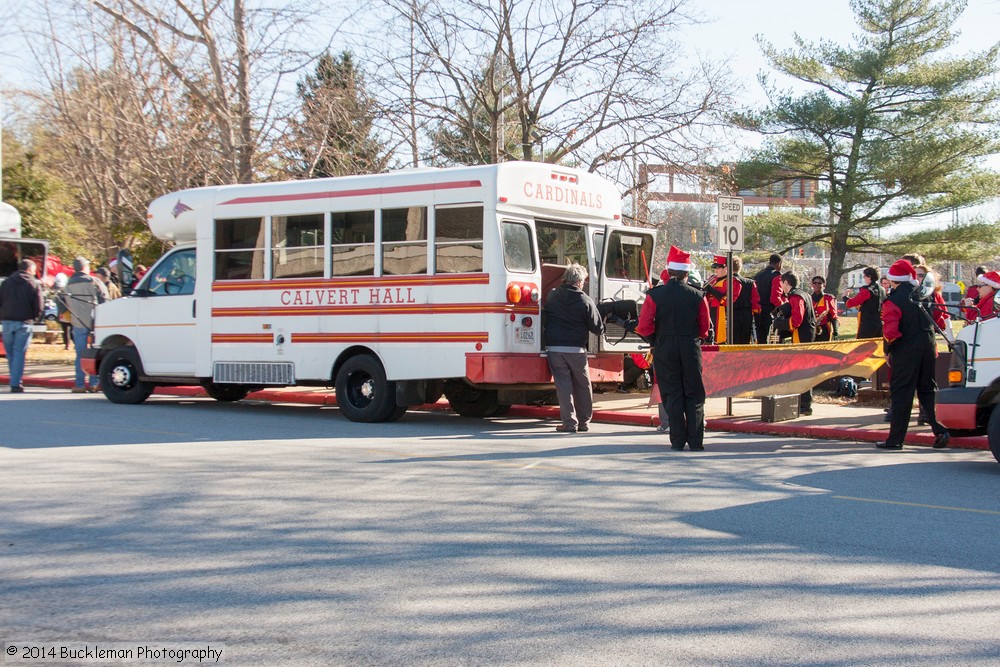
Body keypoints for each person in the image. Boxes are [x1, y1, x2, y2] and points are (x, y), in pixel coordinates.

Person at [636, 246, 711, 451]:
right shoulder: (698, 295)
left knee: (672, 393)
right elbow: (705, 328)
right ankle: (696, 442)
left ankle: (677, 440)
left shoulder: (655, 295)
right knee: (694, 394)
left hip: (664, 347)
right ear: (687, 273)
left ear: (669, 272)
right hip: (690, 346)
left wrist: (655, 339)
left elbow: (644, 326)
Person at [877, 259, 950, 450]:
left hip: (906, 348)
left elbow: (890, 331)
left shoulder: (892, 300)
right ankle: (940, 430)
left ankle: (895, 440)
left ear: (893, 280)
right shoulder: (924, 294)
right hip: (927, 345)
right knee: (927, 390)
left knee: (902, 393)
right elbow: (937, 319)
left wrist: (888, 350)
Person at [543, 263, 604, 433]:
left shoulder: (553, 295)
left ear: (565, 279)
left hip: (554, 348)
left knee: (564, 386)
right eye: (583, 281)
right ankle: (584, 422)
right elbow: (597, 329)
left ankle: (569, 423)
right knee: (583, 385)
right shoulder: (585, 300)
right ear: (578, 281)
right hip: (576, 350)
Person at [775, 271, 817, 416]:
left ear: (786, 283)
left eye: (781, 283)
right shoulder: (805, 294)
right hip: (808, 334)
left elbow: (797, 319)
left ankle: (805, 404)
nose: (781, 286)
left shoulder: (795, 296)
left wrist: (782, 324)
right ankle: (804, 402)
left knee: (801, 370)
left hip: (801, 336)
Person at [0, 259, 45, 393]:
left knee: (11, 354)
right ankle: (15, 383)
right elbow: (39, 305)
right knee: (19, 353)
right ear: (29, 269)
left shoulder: (6, 282)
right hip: (24, 322)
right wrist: (35, 318)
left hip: (7, 321)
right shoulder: (33, 283)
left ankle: (14, 379)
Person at [65, 257, 109, 393]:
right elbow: (105, 300)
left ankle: (79, 384)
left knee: (80, 354)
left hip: (77, 323)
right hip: (94, 323)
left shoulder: (68, 284)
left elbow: (63, 303)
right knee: (94, 353)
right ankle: (94, 383)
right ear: (85, 268)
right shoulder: (94, 282)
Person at [703, 255, 742, 344]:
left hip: (721, 314)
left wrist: (711, 289)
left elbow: (728, 300)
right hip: (709, 311)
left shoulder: (733, 281)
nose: (715, 271)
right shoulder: (712, 279)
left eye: (718, 268)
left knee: (720, 340)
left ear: (726, 268)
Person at [753, 253, 786, 343]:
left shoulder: (758, 275)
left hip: (759, 311)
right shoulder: (776, 276)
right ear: (779, 264)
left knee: (761, 338)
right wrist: (784, 307)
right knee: (773, 339)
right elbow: (775, 298)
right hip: (771, 312)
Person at [844, 266, 885, 338]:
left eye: (864, 276)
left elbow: (851, 303)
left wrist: (845, 296)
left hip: (868, 323)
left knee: (863, 347)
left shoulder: (867, 290)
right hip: (879, 323)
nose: (864, 278)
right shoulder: (882, 289)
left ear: (869, 276)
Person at [731, 256, 760, 344]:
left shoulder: (728, 281)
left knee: (733, 340)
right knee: (745, 340)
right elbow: (756, 301)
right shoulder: (750, 282)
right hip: (747, 314)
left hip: (732, 313)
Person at [810, 275, 839, 341]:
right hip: (812, 328)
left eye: (819, 283)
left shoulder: (829, 298)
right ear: (812, 285)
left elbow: (834, 316)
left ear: (824, 285)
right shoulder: (808, 298)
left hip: (825, 329)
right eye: (814, 283)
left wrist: (836, 331)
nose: (817, 284)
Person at [53, 273, 72, 349]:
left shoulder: (66, 290)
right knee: (66, 329)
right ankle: (67, 344)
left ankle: (68, 344)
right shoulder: (62, 290)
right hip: (64, 312)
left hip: (66, 312)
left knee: (67, 329)